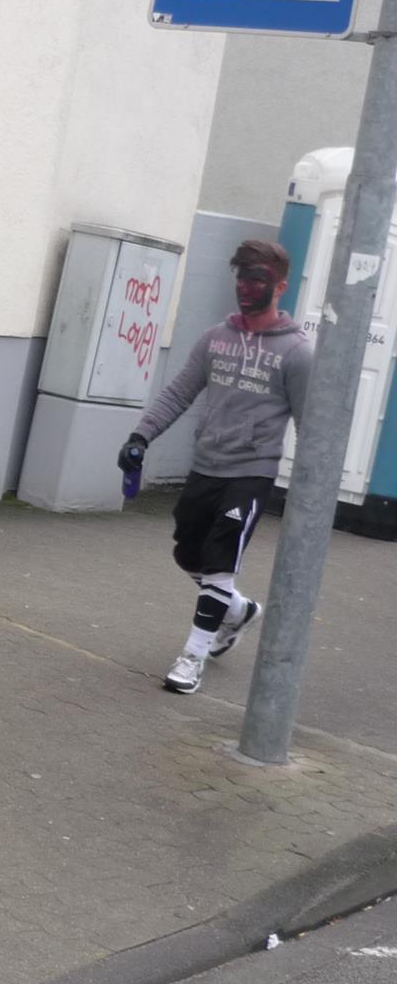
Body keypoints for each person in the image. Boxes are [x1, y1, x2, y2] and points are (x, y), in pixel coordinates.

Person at [118, 238, 312, 696]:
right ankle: (238, 611)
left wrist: (310, 491)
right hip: (207, 466)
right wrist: (140, 437)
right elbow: (178, 392)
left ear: (280, 286)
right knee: (189, 554)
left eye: (258, 279)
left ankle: (193, 656)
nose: (246, 287)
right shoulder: (215, 339)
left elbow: (310, 424)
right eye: (241, 278)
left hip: (252, 471)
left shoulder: (297, 353)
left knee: (220, 561)